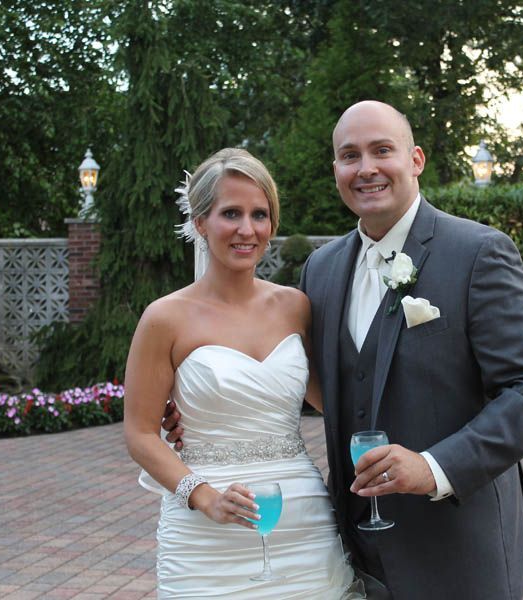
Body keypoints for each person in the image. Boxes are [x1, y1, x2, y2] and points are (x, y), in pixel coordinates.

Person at [166, 101, 523, 599]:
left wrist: (434, 467)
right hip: (347, 550)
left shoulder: (479, 253)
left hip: (457, 549)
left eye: (382, 151)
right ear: (336, 169)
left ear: (415, 159)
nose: (366, 168)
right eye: (349, 156)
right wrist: (201, 407)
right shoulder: (322, 270)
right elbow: (314, 385)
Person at [124, 148, 363, 598]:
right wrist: (204, 496)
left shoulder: (296, 306)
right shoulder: (164, 318)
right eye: (230, 213)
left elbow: (333, 400)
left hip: (300, 521)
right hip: (206, 533)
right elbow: (139, 434)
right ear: (200, 222)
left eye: (260, 214)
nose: (247, 229)